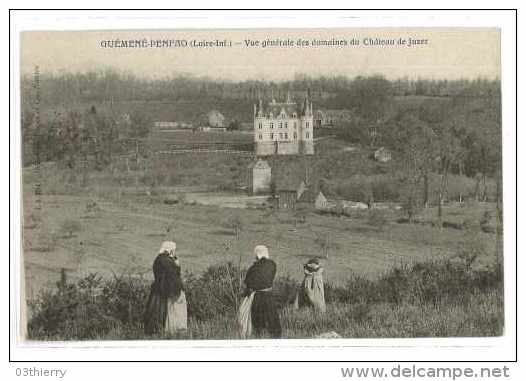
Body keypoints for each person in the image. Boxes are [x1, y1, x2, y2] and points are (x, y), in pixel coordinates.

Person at [237, 245, 282, 339]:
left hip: (257, 298)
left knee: (258, 323)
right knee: (272, 320)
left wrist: (244, 294)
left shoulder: (253, 268)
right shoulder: (272, 264)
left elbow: (249, 284)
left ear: (257, 255)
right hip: (269, 296)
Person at [143, 241, 187, 335]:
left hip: (157, 290)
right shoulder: (167, 261)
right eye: (174, 250)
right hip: (166, 291)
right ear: (170, 250)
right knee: (169, 312)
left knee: (156, 313)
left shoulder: (158, 260)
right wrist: (177, 265)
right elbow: (174, 276)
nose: (175, 252)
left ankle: (157, 332)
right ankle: (173, 331)